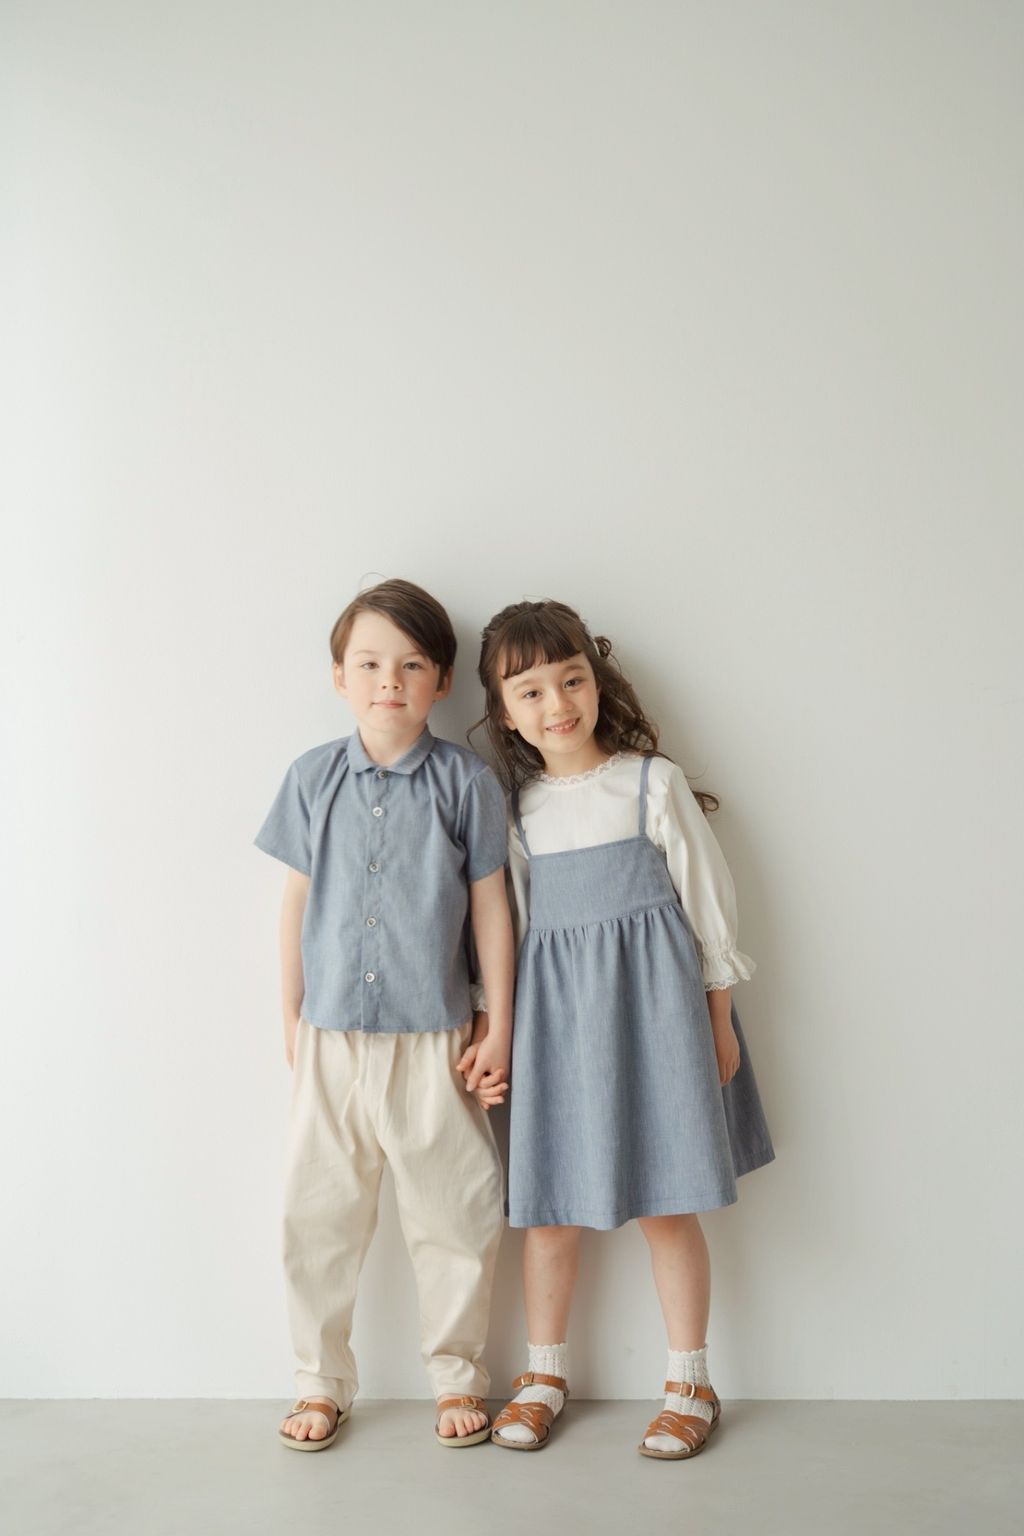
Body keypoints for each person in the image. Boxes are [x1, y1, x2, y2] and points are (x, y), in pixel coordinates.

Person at [465, 599, 774, 1459]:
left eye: (571, 680)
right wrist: (498, 1030)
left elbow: (708, 904)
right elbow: (507, 930)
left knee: (667, 1205)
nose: (556, 704)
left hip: (657, 1021)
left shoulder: (650, 784)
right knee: (550, 1212)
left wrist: (718, 1018)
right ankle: (543, 1374)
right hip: (558, 1031)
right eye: (530, 692)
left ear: (597, 681)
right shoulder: (518, 811)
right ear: (504, 713)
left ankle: (689, 1381)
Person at [255, 579, 513, 1451]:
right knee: (317, 1216)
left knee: (455, 1214)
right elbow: (294, 902)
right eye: (367, 664)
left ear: (442, 679)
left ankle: (457, 1377)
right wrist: (290, 1014)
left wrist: (499, 1021)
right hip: (330, 1036)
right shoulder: (311, 778)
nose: (388, 681)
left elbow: (491, 910)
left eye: (410, 665)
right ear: (339, 677)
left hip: (436, 1036)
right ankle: (319, 1382)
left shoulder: (465, 783)